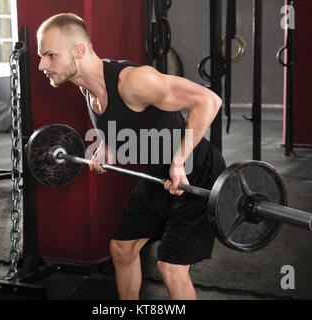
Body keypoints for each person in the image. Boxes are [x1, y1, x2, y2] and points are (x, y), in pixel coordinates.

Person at [37, 13, 226, 300]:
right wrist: (106, 148)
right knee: (122, 250)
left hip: (195, 174)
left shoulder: (134, 82)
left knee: (171, 268)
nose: (42, 65)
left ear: (79, 50)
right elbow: (122, 124)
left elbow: (209, 101)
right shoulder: (86, 87)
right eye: (42, 56)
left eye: (50, 55)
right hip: (155, 176)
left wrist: (178, 163)